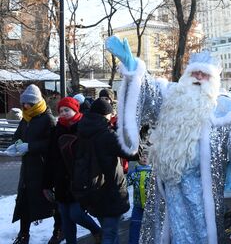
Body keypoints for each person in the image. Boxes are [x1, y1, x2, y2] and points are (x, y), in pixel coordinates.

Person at [105, 36, 231, 243]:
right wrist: (133, 67)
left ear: (213, 80)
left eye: (204, 74)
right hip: (170, 190)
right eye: (194, 72)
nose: (197, 77)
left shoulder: (224, 109)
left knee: (201, 236)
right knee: (172, 235)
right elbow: (149, 91)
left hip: (201, 193)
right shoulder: (172, 97)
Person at [43, 97, 102, 244]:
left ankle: (96, 230)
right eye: (61, 111)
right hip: (61, 182)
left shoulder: (84, 127)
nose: (63, 113)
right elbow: (50, 159)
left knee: (75, 214)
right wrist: (46, 185)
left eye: (67, 110)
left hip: (80, 181)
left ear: (75, 110)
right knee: (66, 219)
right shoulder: (57, 130)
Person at [77, 98, 137, 244]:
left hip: (92, 190)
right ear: (106, 115)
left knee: (108, 231)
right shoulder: (106, 135)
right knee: (110, 234)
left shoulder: (83, 130)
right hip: (110, 190)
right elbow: (132, 153)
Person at [8, 84, 58, 244]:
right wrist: (15, 145)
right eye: (24, 103)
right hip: (27, 169)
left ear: (37, 102)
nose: (25, 106)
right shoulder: (25, 117)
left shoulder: (47, 118)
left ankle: (59, 230)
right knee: (24, 202)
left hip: (43, 169)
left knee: (51, 202)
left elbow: (52, 143)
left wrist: (30, 146)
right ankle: (24, 235)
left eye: (29, 103)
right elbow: (17, 135)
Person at [127, 152, 152, 244]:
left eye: (147, 156)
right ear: (138, 158)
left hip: (151, 207)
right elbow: (125, 184)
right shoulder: (134, 173)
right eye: (142, 156)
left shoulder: (154, 173)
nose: (145, 158)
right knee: (135, 226)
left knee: (151, 228)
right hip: (138, 207)